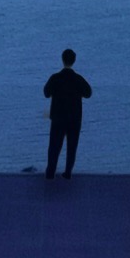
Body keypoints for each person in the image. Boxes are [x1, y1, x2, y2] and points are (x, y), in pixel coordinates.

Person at [43, 48, 92, 179]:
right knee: (72, 146)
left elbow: (46, 93)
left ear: (62, 59)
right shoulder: (78, 79)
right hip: (74, 119)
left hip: (58, 118)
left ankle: (50, 173)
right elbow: (88, 93)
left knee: (54, 146)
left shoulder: (55, 78)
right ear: (74, 61)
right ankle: (68, 173)